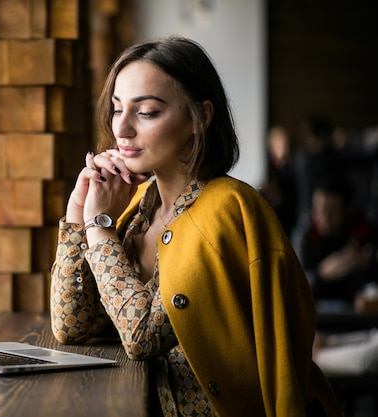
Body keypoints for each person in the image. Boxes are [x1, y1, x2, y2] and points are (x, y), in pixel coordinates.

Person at [50, 36, 342, 416]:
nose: (121, 129)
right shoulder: (137, 205)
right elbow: (71, 325)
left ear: (199, 117)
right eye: (116, 108)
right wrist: (78, 212)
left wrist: (99, 226)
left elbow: (142, 336)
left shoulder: (224, 210)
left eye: (147, 112)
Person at [295, 175, 378, 305]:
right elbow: (294, 288)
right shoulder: (306, 236)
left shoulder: (363, 232)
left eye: (331, 211)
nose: (324, 218)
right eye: (318, 209)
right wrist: (322, 273)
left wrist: (366, 267)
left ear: (347, 210)